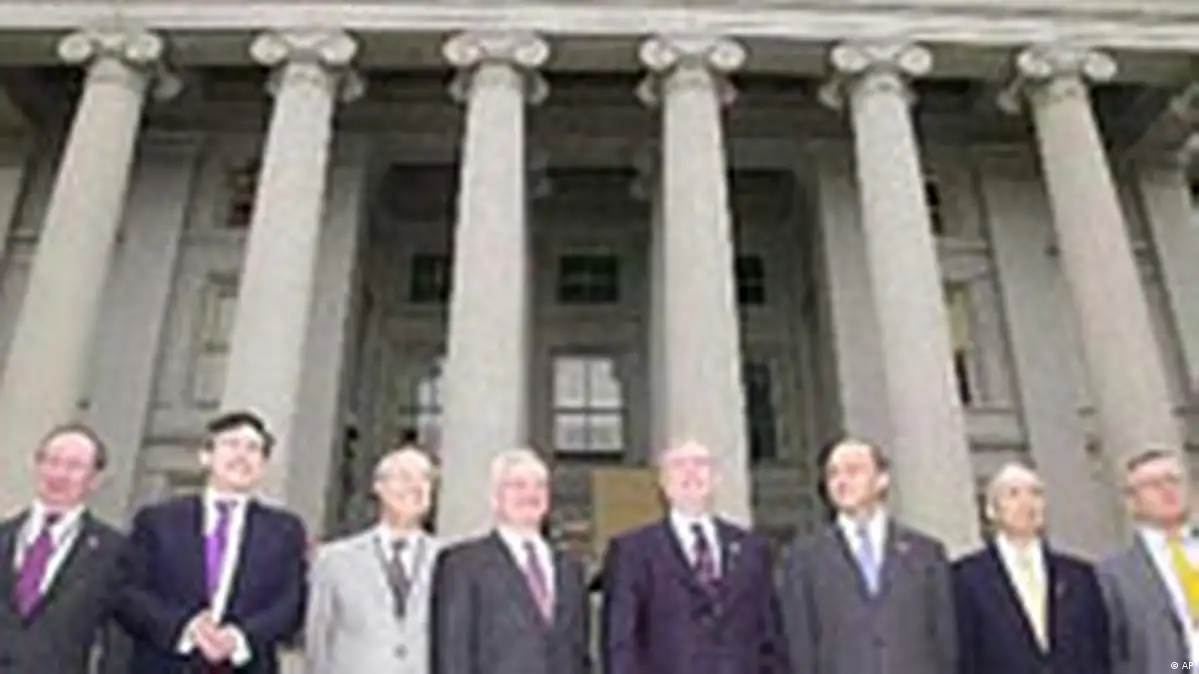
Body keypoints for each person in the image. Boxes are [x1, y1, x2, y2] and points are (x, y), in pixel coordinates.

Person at [118, 411, 307, 674]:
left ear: (263, 465)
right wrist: (187, 628)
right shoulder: (158, 521)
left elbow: (291, 603)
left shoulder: (284, 531)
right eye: (231, 444)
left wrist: (239, 638)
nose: (241, 456)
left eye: (253, 448)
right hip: (165, 663)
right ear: (206, 456)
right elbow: (129, 593)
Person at [600, 440, 787, 674]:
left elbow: (771, 638)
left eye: (701, 464)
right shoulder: (633, 552)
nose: (691, 473)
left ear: (716, 478)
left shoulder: (752, 549)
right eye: (679, 465)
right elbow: (621, 644)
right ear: (663, 482)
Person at [778, 438, 956, 674]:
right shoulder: (803, 558)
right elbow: (800, 647)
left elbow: (945, 642)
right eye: (833, 474)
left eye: (853, 471)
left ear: (882, 479)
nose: (842, 481)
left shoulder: (926, 554)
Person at [430, 448, 590, 674]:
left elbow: (579, 654)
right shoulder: (463, 565)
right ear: (495, 497)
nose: (530, 494)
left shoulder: (570, 568)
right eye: (518, 485)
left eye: (539, 486)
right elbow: (452, 655)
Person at [952, 461, 1110, 674]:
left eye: (1036, 493)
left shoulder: (1079, 576)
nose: (1026, 503)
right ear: (990, 510)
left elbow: (1099, 651)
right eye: (1013, 494)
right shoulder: (966, 578)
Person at [0, 423, 128, 674]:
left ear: (95, 479)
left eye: (74, 466)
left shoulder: (113, 552)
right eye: (52, 462)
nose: (59, 474)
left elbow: (117, 644)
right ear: (37, 467)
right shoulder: (4, 536)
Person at [304, 447, 441, 674]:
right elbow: (318, 645)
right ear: (378, 486)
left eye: (425, 478)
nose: (415, 486)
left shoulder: (449, 560)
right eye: (404, 476)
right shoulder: (334, 561)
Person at [1098, 448, 1195, 674]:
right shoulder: (1113, 576)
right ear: (1132, 502)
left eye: (1173, 480)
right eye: (1153, 484)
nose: (1167, 490)